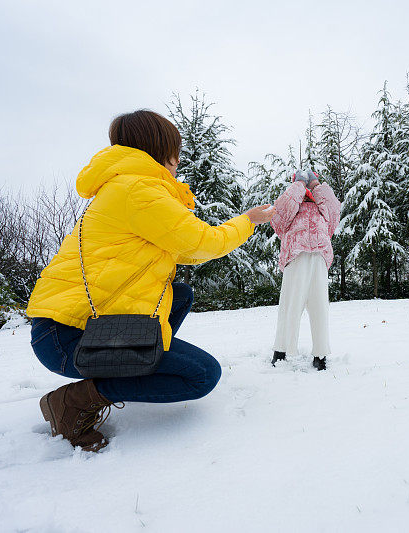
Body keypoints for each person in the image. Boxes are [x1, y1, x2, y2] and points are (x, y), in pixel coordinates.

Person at [26, 109, 273, 451]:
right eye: (177, 153)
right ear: (164, 151)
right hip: (69, 337)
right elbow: (204, 243)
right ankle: (74, 402)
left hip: (65, 329)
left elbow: (184, 249)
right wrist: (248, 220)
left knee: (180, 294)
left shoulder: (125, 185)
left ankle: (133, 370)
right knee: (202, 375)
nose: (178, 162)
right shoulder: (137, 189)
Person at [270, 170, 341, 370]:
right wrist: (299, 185)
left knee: (319, 307)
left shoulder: (321, 208)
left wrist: (317, 185)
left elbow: (334, 210)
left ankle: (320, 354)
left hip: (319, 255)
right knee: (290, 305)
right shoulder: (292, 204)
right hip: (296, 255)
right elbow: (279, 217)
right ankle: (281, 349)